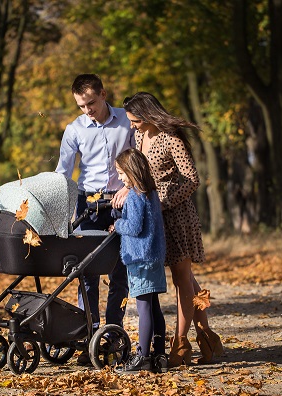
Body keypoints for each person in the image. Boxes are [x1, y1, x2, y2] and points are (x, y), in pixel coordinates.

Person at [121, 92, 223, 367]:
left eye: (135, 121)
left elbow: (192, 180)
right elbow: (141, 173)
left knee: (182, 280)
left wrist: (163, 202)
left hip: (176, 216)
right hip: (155, 216)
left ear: (147, 115)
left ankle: (180, 343)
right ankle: (207, 335)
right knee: (187, 279)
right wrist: (128, 189)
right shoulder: (142, 137)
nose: (132, 126)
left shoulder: (171, 138)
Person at [55, 74, 134, 365]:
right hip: (87, 204)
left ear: (103, 93)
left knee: (120, 272)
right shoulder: (74, 129)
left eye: (91, 102)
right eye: (81, 106)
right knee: (85, 272)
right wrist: (59, 214)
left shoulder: (127, 120)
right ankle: (88, 336)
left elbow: (139, 158)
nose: (87, 110)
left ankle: (113, 335)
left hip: (122, 201)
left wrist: (130, 186)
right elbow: (63, 174)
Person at [110, 148, 168, 373]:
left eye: (122, 173)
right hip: (153, 257)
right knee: (154, 308)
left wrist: (117, 226)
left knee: (143, 308)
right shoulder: (151, 193)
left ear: (132, 171)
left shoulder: (134, 196)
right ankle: (159, 355)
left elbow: (133, 227)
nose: (121, 178)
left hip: (140, 258)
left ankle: (142, 356)